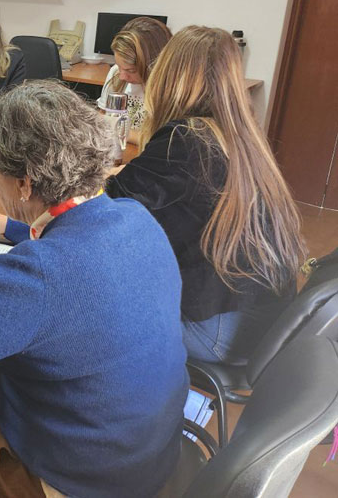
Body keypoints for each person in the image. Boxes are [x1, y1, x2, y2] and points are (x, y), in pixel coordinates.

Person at [0, 81, 188, 498]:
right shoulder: (135, 216)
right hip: (149, 453)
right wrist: (11, 227)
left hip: (86, 481)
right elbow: (79, 241)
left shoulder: (36, 276)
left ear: (24, 183)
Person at [107, 26, 306, 366]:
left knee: (88, 302)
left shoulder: (185, 138)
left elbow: (109, 206)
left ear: (169, 76)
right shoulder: (238, 135)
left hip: (219, 330)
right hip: (261, 323)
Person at [97, 16, 171, 145]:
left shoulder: (170, 90)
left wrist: (122, 131)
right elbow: (103, 116)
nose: (122, 76)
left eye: (131, 70)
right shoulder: (116, 73)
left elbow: (164, 141)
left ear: (155, 66)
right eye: (119, 66)